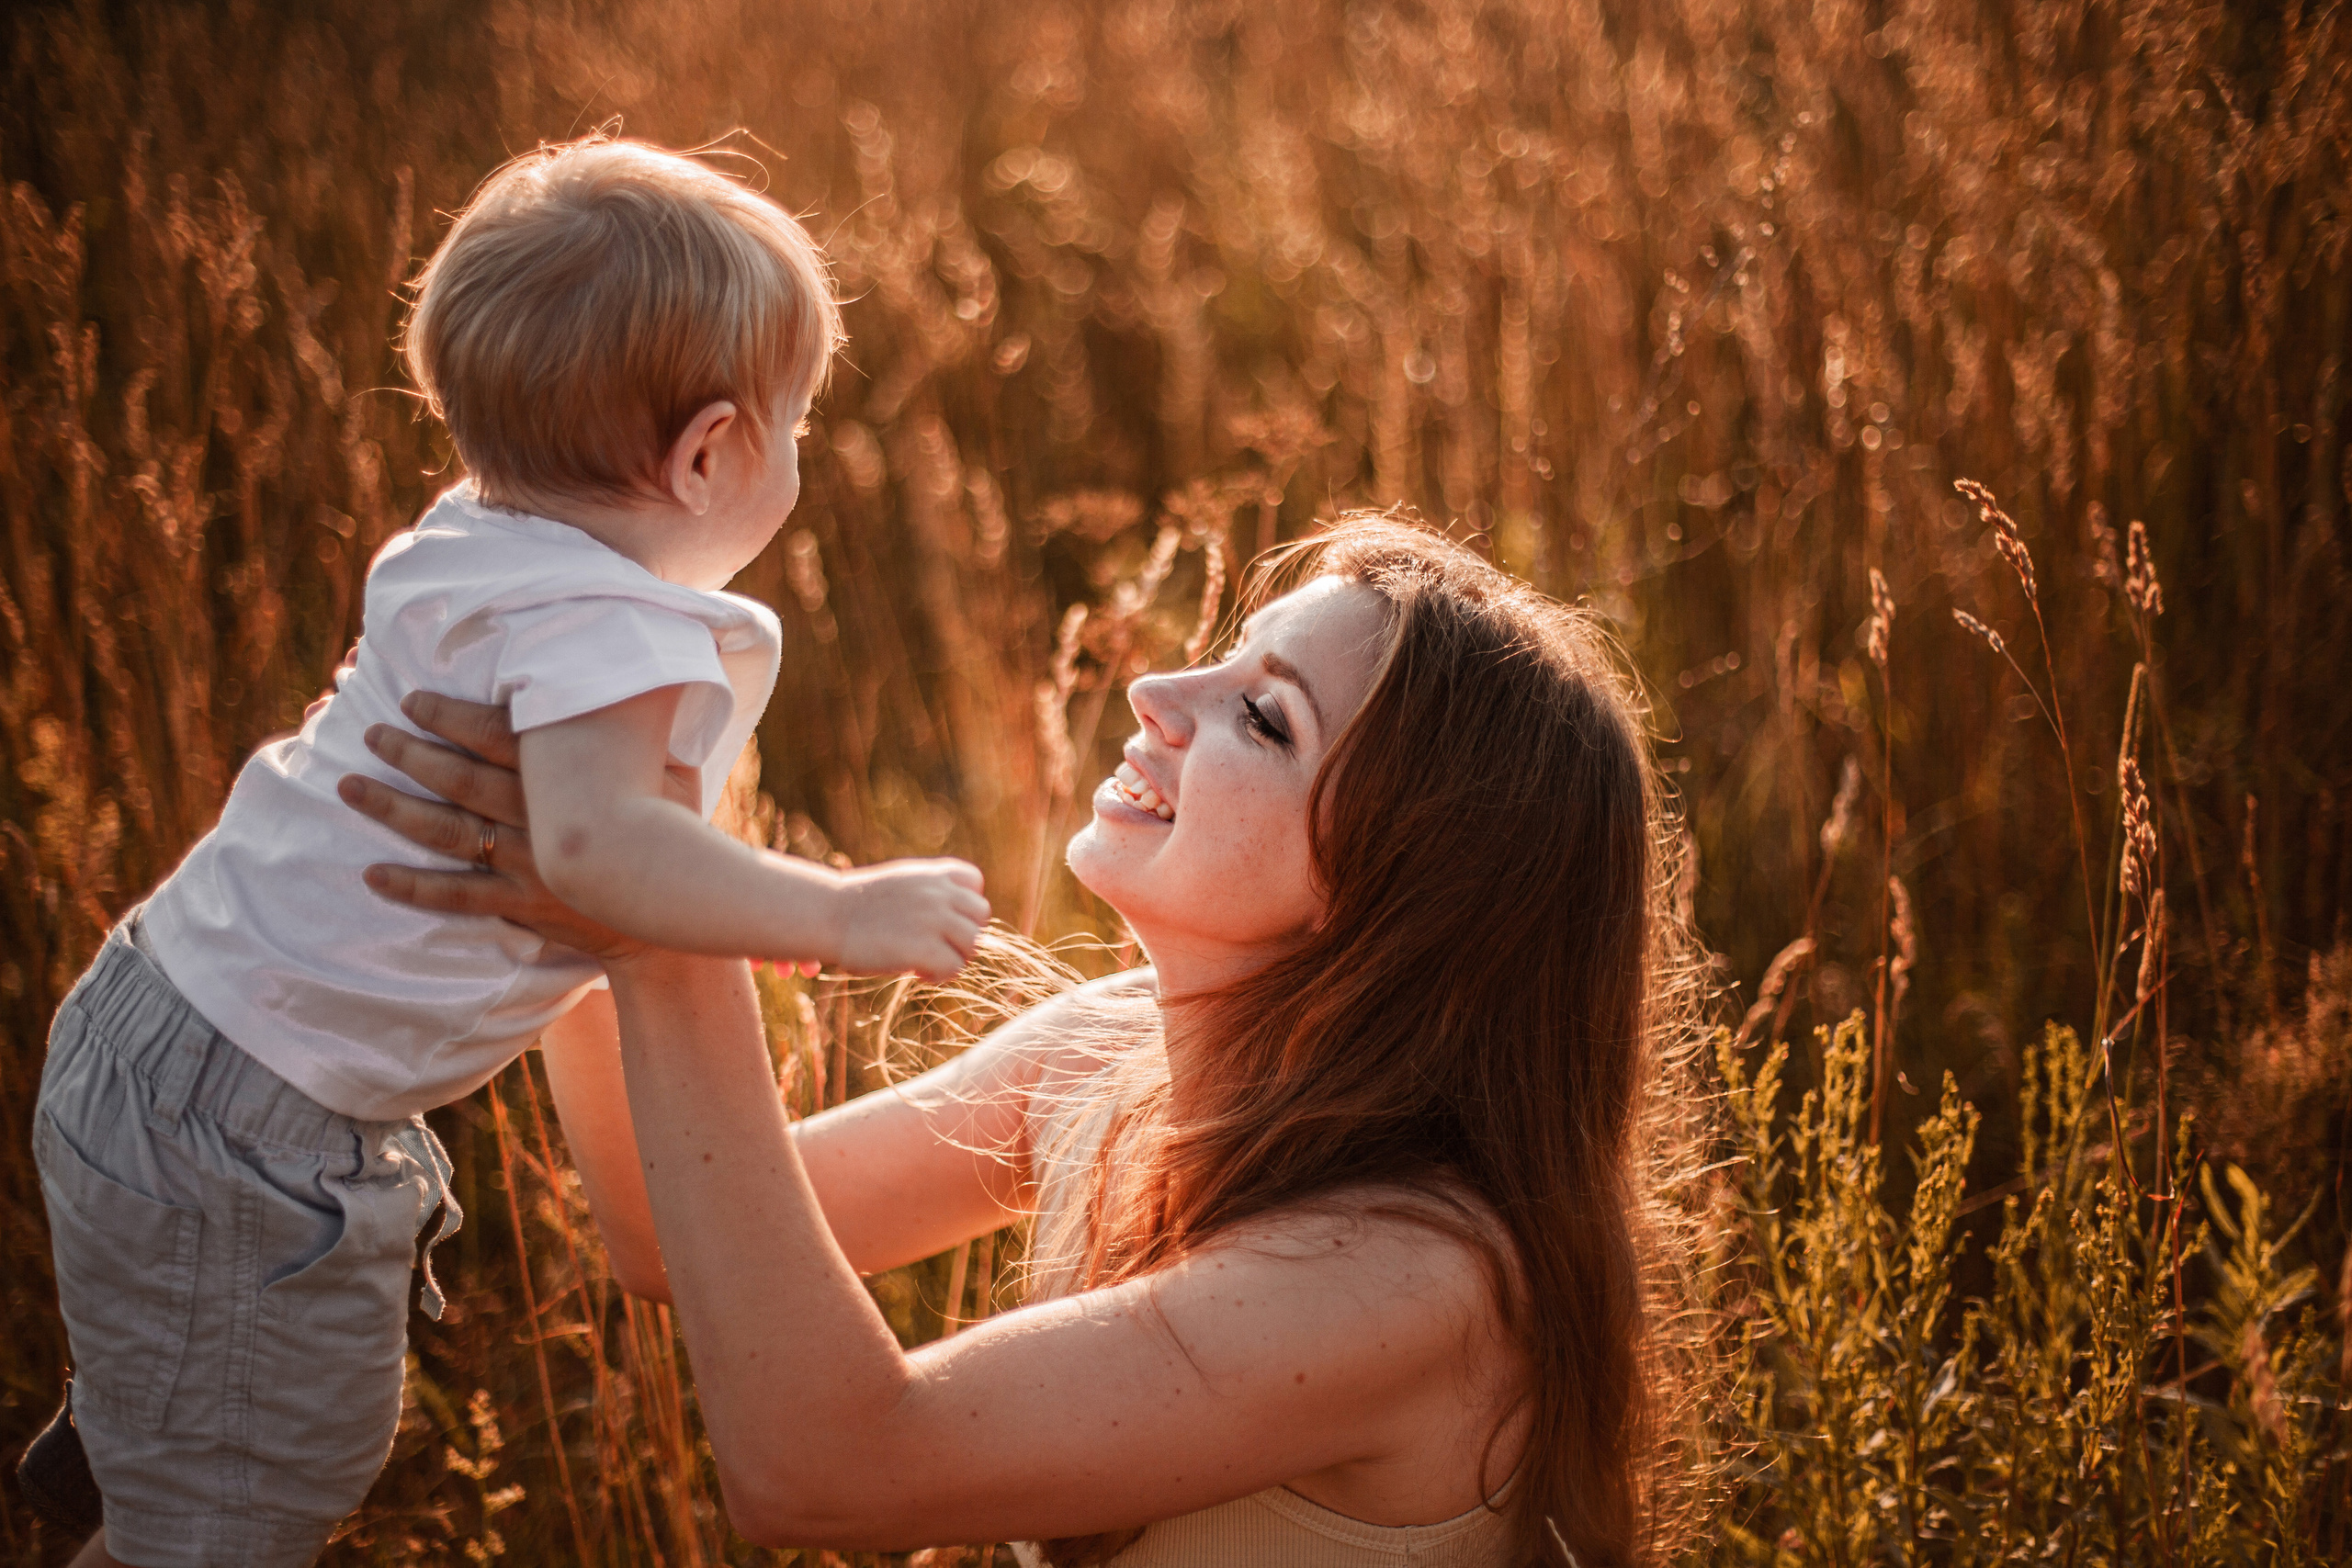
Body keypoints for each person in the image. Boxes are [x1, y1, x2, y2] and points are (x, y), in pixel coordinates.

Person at [345, 517, 1705, 1567]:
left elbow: (824, 1470)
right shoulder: (1103, 1059)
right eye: (1225, 650)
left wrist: (658, 918)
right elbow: (661, 1231)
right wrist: (584, 881)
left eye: (1263, 717)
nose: (1157, 687)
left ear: (1401, 900)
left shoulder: (1415, 1278)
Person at [27, 137, 986, 1568]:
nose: (797, 455)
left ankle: (148, 1413)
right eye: (796, 423)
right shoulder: (612, 632)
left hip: (162, 1032)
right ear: (710, 453)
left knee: (245, 1440)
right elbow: (598, 852)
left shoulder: (473, 541)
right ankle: (172, 1461)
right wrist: (836, 911)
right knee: (255, 1506)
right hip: (251, 1116)